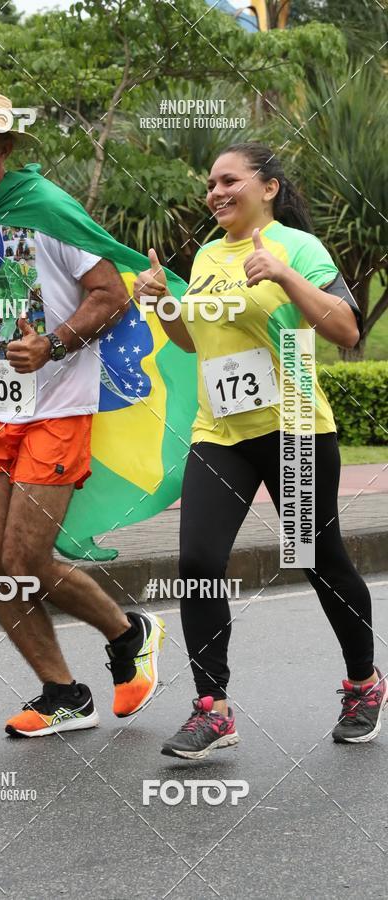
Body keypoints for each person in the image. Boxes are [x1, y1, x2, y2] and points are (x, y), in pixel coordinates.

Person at [0, 87, 164, 738]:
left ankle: (127, 631)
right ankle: (63, 692)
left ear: (4, 148)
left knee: (26, 559)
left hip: (58, 407)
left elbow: (111, 295)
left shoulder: (48, 209)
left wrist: (53, 344)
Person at [134, 141, 386, 759]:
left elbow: (348, 328)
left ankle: (363, 684)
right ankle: (212, 709)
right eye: (210, 184)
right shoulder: (206, 258)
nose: (215, 192)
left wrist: (284, 274)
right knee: (197, 562)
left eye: (228, 180)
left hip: (295, 425)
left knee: (318, 558)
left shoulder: (298, 247)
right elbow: (191, 343)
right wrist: (160, 300)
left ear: (267, 187)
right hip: (221, 434)